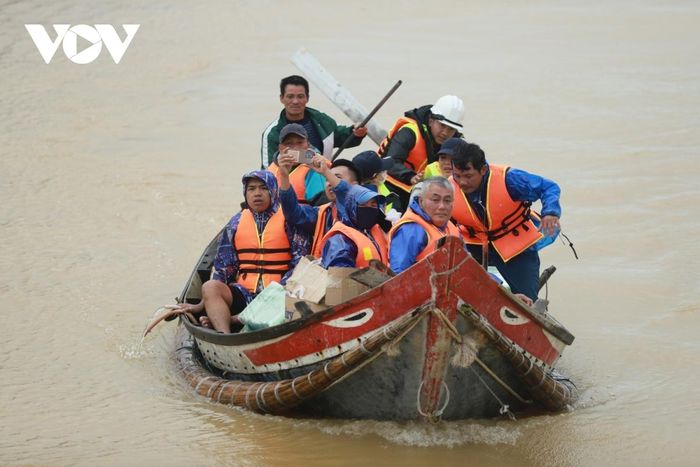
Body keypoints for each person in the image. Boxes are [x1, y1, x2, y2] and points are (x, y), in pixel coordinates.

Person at [173, 171, 307, 333]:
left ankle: (230, 319)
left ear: (273, 191)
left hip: (279, 293)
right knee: (210, 287)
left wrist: (277, 291)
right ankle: (225, 335)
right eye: (251, 189)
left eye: (263, 188)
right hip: (245, 294)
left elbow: (301, 263)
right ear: (245, 193)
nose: (257, 193)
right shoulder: (236, 222)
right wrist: (201, 304)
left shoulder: (290, 219)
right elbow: (223, 268)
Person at [449, 140, 561, 301]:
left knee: (528, 300)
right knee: (463, 291)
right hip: (475, 246)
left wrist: (550, 212)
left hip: (516, 247)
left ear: (483, 170)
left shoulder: (509, 180)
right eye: (457, 176)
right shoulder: (447, 187)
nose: (462, 182)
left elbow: (548, 187)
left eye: (468, 176)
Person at [261, 75, 368, 168]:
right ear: (281, 99)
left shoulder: (323, 121)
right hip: (290, 188)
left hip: (322, 184)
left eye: (300, 96)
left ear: (307, 98)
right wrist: (313, 157)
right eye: (290, 96)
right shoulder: (271, 133)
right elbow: (268, 169)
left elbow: (342, 136)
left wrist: (356, 133)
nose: (295, 101)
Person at [379, 95, 465, 208]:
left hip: (423, 192)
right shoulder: (409, 133)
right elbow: (390, 162)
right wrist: (411, 177)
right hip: (389, 185)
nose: (445, 133)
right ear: (431, 121)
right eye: (442, 125)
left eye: (451, 129)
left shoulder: (456, 143)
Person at [278, 152, 360, 257]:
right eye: (326, 179)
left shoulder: (363, 207)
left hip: (355, 271)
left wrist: (326, 171)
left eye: (337, 177)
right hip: (325, 271)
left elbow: (345, 193)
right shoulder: (322, 212)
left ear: (355, 186)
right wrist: (284, 176)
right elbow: (293, 214)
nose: (329, 182)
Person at [388, 176, 461, 274]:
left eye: (447, 200)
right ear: (421, 201)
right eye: (435, 200)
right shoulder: (412, 229)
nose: (442, 206)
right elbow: (397, 276)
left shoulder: (451, 227)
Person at [319, 185, 388, 268]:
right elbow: (339, 274)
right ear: (351, 207)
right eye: (362, 205)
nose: (369, 209)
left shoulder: (374, 231)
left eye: (373, 206)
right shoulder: (340, 239)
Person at [267, 123, 328, 204]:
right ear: (280, 148)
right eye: (289, 143)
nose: (295, 147)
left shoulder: (317, 167)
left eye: (300, 142)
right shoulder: (270, 170)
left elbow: (320, 204)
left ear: (308, 145)